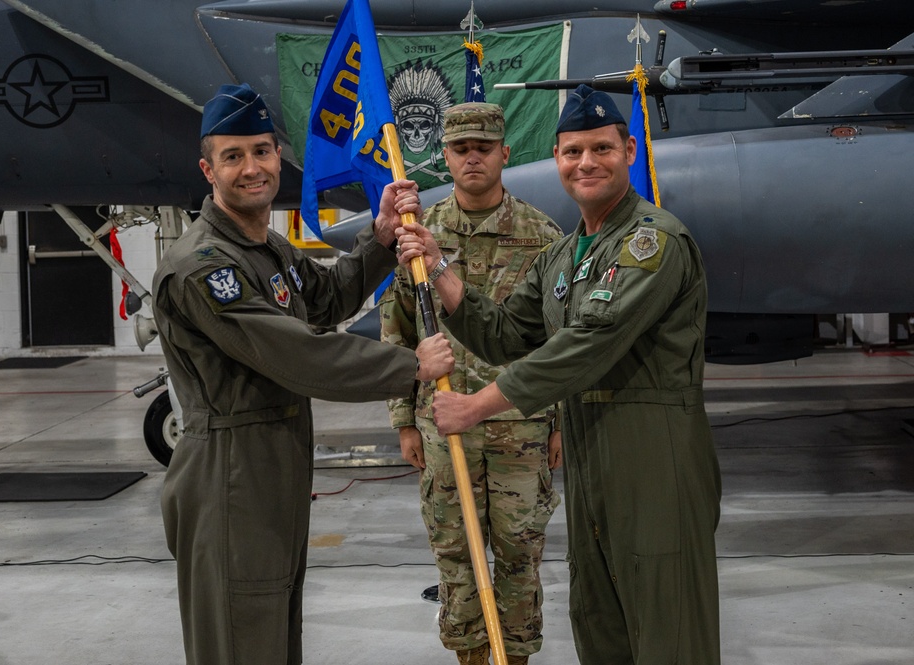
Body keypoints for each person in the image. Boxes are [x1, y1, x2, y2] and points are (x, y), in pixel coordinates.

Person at [397, 84, 722, 665]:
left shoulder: (652, 241)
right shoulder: (566, 254)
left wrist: (476, 407)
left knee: (666, 626)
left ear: (627, 151)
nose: (586, 163)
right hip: (591, 448)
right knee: (601, 621)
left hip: (654, 455)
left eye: (601, 148)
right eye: (572, 152)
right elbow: (502, 333)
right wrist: (439, 264)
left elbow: (588, 342)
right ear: (556, 160)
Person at [151, 83, 455, 665]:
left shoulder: (265, 250)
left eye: (262, 152)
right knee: (244, 640)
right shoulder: (203, 266)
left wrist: (382, 236)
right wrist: (410, 367)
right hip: (229, 472)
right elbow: (299, 353)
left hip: (271, 466)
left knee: (269, 632)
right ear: (207, 170)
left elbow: (325, 297)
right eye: (233, 156)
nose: (252, 168)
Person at [380, 102, 563, 665]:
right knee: (457, 559)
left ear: (505, 154)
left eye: (484, 147)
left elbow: (562, 342)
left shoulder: (543, 236)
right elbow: (399, 328)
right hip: (445, 429)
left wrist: (561, 424)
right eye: (461, 149)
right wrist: (404, 420)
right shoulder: (419, 236)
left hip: (521, 430)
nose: (473, 157)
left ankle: (516, 659)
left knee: (518, 558)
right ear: (446, 158)